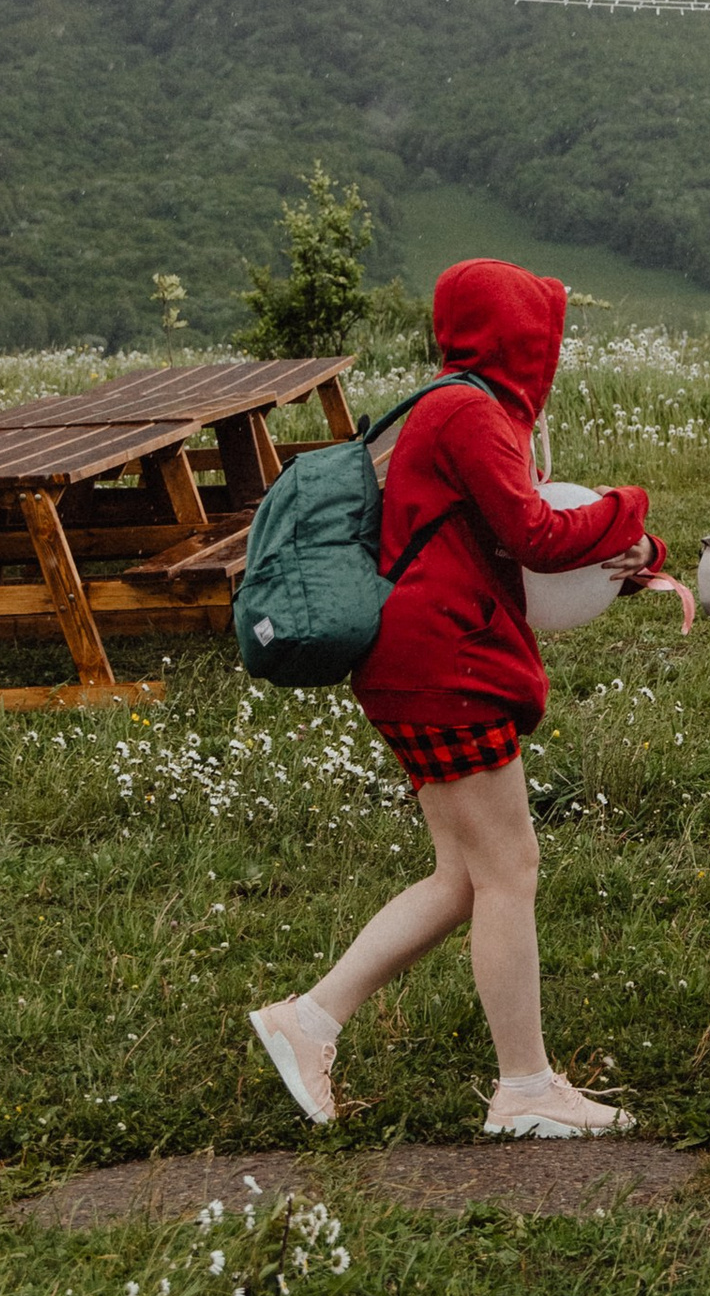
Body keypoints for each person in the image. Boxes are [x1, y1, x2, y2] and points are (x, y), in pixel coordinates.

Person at [249, 259, 658, 1139]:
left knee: (466, 876)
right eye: (545, 335)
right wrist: (631, 506)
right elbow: (537, 535)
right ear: (520, 336)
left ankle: (309, 1020)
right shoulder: (469, 411)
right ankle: (525, 1089)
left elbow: (503, 546)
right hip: (447, 668)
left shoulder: (456, 404)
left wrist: (632, 562)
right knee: (510, 871)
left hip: (421, 662)